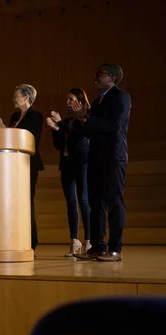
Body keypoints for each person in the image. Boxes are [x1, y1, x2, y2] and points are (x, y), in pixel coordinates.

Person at [71, 63, 131, 262]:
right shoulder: (96, 103)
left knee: (114, 202)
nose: (96, 77)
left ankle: (115, 249)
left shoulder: (121, 97)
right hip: (95, 158)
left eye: (100, 74)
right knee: (96, 204)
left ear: (112, 77)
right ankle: (97, 246)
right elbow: (88, 131)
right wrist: (81, 119)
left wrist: (87, 117)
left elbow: (114, 126)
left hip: (113, 157)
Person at [46, 89, 92, 256]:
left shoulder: (85, 118)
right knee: (71, 203)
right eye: (67, 99)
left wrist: (61, 125)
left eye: (71, 99)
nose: (67, 102)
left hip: (82, 163)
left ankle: (89, 241)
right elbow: (59, 145)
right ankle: (74, 241)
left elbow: (78, 137)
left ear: (80, 100)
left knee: (84, 201)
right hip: (66, 164)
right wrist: (55, 129)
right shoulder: (66, 121)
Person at [10, 84, 44, 253]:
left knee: (27, 202)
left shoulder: (36, 116)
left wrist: (7, 132)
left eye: (17, 95)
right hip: (12, 165)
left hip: (28, 164)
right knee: (14, 203)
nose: (14, 98)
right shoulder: (14, 116)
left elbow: (31, 139)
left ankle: (31, 241)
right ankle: (15, 238)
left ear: (26, 97)